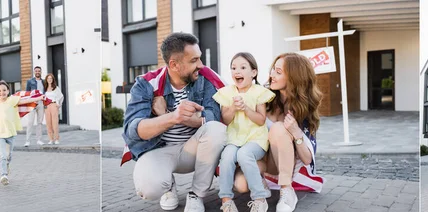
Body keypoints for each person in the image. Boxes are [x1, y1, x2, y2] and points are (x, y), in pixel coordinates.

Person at [123, 32, 226, 212]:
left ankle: (196, 195)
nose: (200, 65)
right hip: (160, 150)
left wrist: (191, 120)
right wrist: (172, 117)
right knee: (149, 188)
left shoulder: (205, 78)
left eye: (200, 58)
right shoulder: (146, 84)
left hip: (194, 149)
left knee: (216, 130)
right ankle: (167, 185)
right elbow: (132, 129)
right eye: (194, 60)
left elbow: (214, 116)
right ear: (174, 64)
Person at [231, 53, 324, 212]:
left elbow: (307, 159)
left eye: (278, 72)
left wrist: (296, 132)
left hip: (282, 162)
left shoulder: (304, 109)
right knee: (240, 185)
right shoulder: (262, 96)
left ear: (294, 78)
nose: (271, 75)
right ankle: (260, 181)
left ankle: (287, 190)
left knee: (279, 128)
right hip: (259, 157)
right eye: (273, 70)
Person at [214, 52, 275, 212]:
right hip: (234, 139)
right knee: (226, 156)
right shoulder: (227, 92)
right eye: (233, 68)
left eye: (242, 67)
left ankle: (259, 198)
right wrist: (234, 107)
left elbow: (261, 120)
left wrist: (246, 108)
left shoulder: (258, 92)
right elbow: (226, 120)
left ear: (253, 73)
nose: (237, 71)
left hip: (256, 140)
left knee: (244, 154)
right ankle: (226, 200)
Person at [0, 80, 44, 185]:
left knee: (8, 156)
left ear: (8, 91)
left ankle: (6, 165)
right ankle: (3, 175)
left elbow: (25, 100)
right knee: (2, 155)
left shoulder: (11, 100)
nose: (2, 93)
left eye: (4, 90)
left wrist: (38, 98)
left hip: (10, 133)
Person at [24, 66, 45, 147]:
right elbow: (27, 93)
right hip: (32, 104)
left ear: (41, 72)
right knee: (30, 122)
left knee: (39, 122)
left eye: (39, 71)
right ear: (34, 72)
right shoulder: (30, 81)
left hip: (41, 104)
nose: (37, 72)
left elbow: (45, 92)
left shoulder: (44, 82)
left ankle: (39, 140)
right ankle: (27, 141)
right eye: (36, 71)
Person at [43, 74, 64, 145]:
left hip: (54, 105)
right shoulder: (45, 88)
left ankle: (56, 139)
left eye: (51, 78)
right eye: (48, 78)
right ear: (46, 79)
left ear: (53, 80)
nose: (49, 80)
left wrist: (59, 104)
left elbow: (61, 96)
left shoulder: (56, 88)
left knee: (55, 123)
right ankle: (51, 139)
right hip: (47, 107)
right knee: (48, 123)